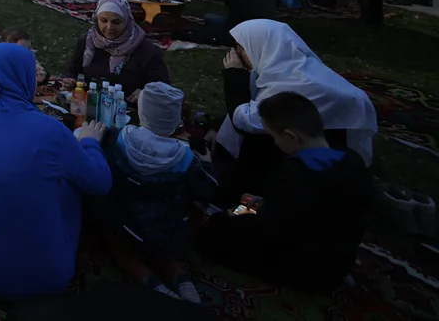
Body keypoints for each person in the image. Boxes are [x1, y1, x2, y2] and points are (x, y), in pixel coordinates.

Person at [0, 44, 111, 300]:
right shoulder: (51, 131)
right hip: (45, 279)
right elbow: (100, 183)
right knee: (70, 182)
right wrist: (90, 142)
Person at [197, 91, 374, 293]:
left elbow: (268, 227)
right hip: (339, 260)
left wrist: (236, 212)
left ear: (290, 136)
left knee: (215, 228)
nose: (274, 143)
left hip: (304, 266)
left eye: (272, 136)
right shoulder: (351, 159)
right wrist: (266, 202)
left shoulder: (295, 172)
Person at [212, 20, 377, 205]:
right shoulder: (288, 68)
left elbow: (246, 122)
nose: (236, 54)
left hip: (304, 168)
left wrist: (234, 75)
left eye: (241, 48)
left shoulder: (296, 83)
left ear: (262, 47)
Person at [93, 83, 217, 302]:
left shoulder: (117, 137)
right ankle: (185, 287)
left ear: (141, 112)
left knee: (122, 249)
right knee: (162, 253)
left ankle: (157, 288)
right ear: (177, 121)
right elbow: (208, 189)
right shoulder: (186, 157)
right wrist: (207, 162)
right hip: (165, 227)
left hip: (122, 220)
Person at [62, 0, 170, 118]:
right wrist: (69, 79)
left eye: (116, 22)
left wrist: (145, 93)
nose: (109, 27)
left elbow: (162, 86)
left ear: (127, 21)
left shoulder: (145, 50)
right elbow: (73, 69)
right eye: (103, 21)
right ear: (96, 19)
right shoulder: (88, 41)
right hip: (89, 108)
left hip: (130, 114)